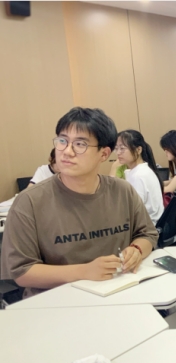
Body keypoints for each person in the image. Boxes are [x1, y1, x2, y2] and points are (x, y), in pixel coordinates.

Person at [0, 107, 159, 298]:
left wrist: (136, 249)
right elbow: (22, 272)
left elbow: (148, 234)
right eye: (62, 141)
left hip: (119, 294)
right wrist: (85, 271)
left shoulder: (122, 191)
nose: (67, 151)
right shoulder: (29, 202)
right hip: (56, 303)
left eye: (80, 144)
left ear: (104, 154)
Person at [115, 130, 164, 224]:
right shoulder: (141, 170)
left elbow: (133, 211)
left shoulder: (138, 175)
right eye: (116, 148)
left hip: (146, 227)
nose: (118, 152)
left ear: (138, 150)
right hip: (152, 223)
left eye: (122, 148)